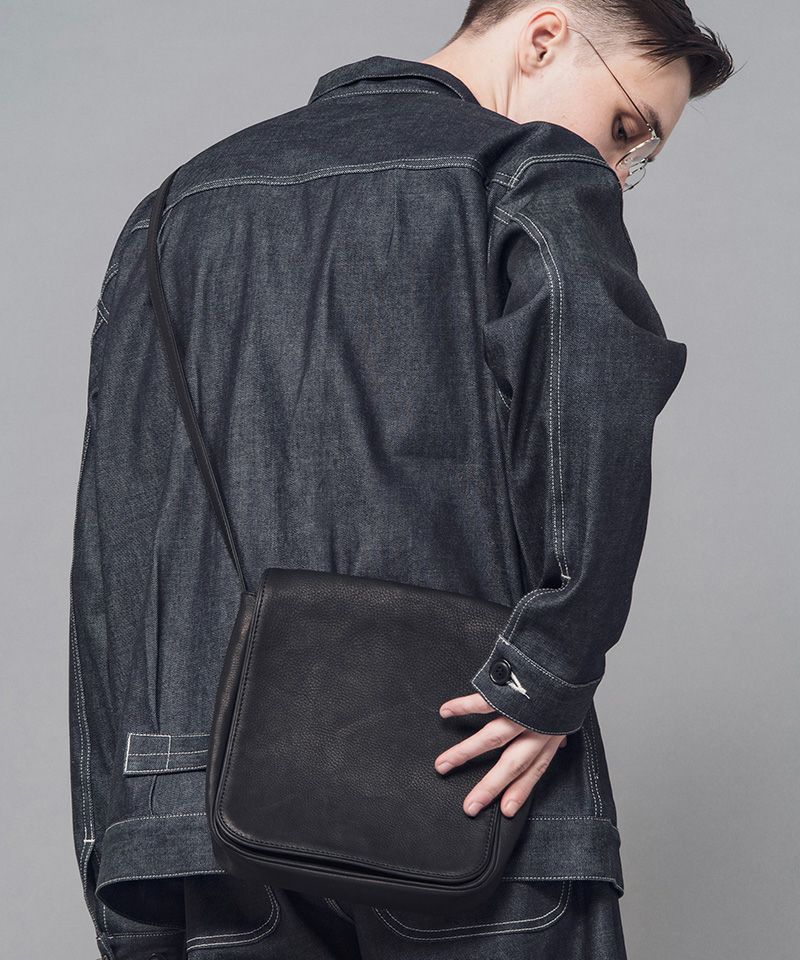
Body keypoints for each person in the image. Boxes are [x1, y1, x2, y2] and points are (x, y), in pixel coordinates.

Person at [68, 2, 733, 958]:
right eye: (628, 126)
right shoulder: (528, 172)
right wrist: (544, 675)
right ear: (545, 36)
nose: (618, 166)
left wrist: (119, 842)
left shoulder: (172, 208)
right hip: (465, 785)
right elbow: (595, 409)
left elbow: (116, 545)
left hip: (195, 816)